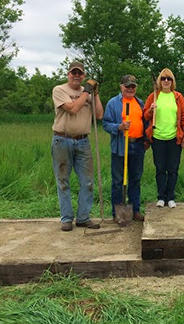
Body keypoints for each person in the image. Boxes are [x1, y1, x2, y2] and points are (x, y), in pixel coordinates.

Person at [51, 61, 103, 231]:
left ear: (84, 76)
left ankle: (83, 217)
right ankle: (66, 218)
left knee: (87, 181)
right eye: (73, 72)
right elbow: (72, 109)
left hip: (83, 141)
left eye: (80, 73)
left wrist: (95, 94)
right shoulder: (59, 90)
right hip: (62, 140)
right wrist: (86, 92)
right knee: (63, 180)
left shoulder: (88, 93)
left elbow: (99, 114)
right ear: (68, 74)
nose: (76, 76)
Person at [102, 75, 149, 222]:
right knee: (118, 180)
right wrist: (119, 127)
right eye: (127, 86)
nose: (130, 89)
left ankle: (135, 210)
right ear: (121, 86)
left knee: (135, 179)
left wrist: (147, 139)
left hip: (138, 145)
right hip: (121, 145)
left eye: (133, 86)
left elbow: (145, 121)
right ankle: (117, 213)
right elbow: (106, 124)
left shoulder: (140, 103)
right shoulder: (113, 103)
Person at [144, 68, 184, 209]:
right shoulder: (154, 96)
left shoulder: (178, 97)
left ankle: (170, 197)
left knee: (173, 168)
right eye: (163, 78)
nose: (166, 81)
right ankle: (161, 197)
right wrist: (151, 110)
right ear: (159, 81)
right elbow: (145, 115)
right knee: (160, 168)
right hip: (157, 137)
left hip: (174, 137)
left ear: (172, 81)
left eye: (169, 78)